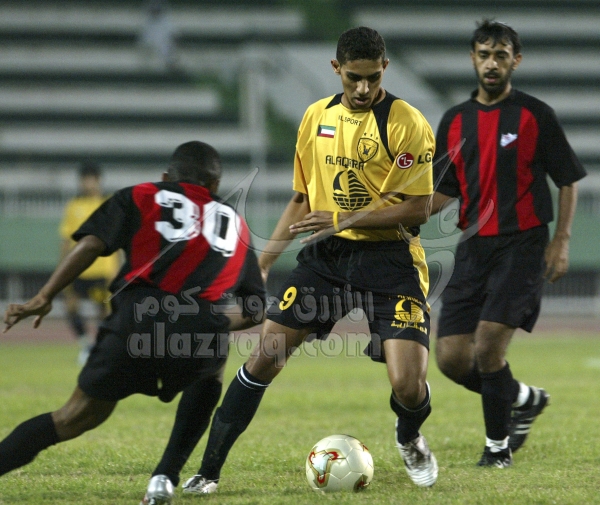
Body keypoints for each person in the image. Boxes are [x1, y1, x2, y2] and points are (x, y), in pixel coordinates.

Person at [181, 26, 438, 495]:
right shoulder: (316, 118)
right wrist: (262, 263)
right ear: (337, 69)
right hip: (327, 258)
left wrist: (342, 217)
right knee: (265, 357)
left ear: (385, 68)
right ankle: (208, 472)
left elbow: (418, 208)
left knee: (407, 384)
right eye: (354, 77)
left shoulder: (407, 123)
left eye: (373, 77)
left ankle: (409, 435)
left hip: (391, 258)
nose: (364, 88)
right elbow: (301, 199)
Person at [1, 141, 266, 505]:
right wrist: (210, 320)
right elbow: (255, 308)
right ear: (215, 185)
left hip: (136, 320)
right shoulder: (236, 222)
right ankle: (165, 476)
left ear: (166, 177)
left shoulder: (141, 195)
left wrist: (45, 295)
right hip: (198, 331)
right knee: (211, 371)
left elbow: (91, 244)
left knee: (74, 416)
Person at [429, 20, 586, 467]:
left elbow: (568, 179)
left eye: (501, 55)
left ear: (515, 60)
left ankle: (497, 449)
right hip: (472, 247)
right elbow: (442, 191)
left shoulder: (535, 115)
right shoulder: (454, 120)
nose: (491, 63)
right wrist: (397, 214)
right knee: (451, 359)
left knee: (487, 345)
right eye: (484, 55)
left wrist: (561, 240)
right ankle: (522, 398)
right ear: (473, 59)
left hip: (523, 245)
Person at [59, 161, 119, 365]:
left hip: (102, 269)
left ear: (98, 181)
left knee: (104, 311)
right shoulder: (73, 206)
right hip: (78, 270)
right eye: (84, 180)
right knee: (70, 306)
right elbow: (66, 240)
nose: (87, 184)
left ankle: (100, 348)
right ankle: (85, 344)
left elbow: (116, 239)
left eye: (91, 179)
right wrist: (62, 269)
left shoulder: (108, 205)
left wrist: (116, 270)